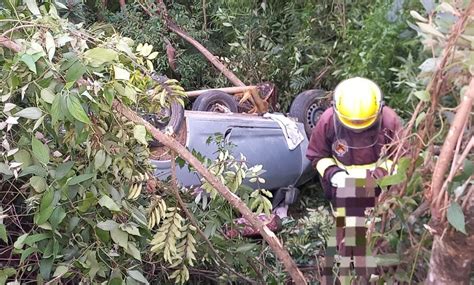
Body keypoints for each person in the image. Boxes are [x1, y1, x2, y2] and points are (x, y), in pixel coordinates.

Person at [306, 77, 403, 202]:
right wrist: (334, 174)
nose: (358, 128)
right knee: (349, 221)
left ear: (379, 109)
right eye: (352, 123)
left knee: (380, 219)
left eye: (363, 123)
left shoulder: (389, 120)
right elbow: (317, 155)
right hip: (342, 189)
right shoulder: (328, 120)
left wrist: (378, 176)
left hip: (382, 190)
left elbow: (403, 158)